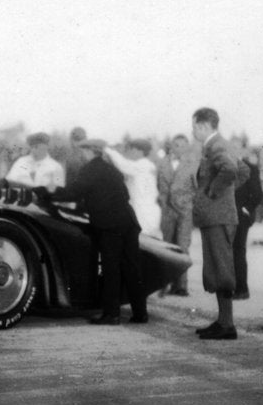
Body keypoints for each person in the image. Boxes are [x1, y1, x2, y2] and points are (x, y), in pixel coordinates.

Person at [44, 138, 147, 325]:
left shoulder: (90, 169)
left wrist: (48, 195)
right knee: (132, 269)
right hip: (128, 222)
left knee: (111, 269)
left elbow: (72, 193)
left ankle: (111, 315)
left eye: (84, 151)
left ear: (92, 151)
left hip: (109, 226)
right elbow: (124, 194)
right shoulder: (111, 168)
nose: (82, 155)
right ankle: (140, 314)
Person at [190, 107, 248, 340]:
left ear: (204, 126)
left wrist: (213, 193)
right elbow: (243, 171)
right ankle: (223, 321)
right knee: (216, 268)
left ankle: (227, 325)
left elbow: (233, 169)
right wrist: (227, 194)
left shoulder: (216, 145)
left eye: (194, 126)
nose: (192, 131)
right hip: (217, 216)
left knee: (221, 269)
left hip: (218, 217)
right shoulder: (218, 145)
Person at [156, 134, 196, 295]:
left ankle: (181, 286)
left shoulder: (193, 164)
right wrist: (162, 200)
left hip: (185, 211)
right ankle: (165, 284)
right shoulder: (162, 163)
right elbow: (158, 184)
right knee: (167, 245)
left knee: (183, 245)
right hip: (167, 210)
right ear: (171, 146)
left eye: (182, 145)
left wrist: (187, 201)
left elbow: (198, 189)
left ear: (187, 147)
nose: (178, 148)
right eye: (176, 144)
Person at [104, 139, 162, 238]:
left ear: (139, 151)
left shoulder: (141, 165)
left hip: (143, 212)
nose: (130, 152)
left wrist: (108, 150)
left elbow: (123, 165)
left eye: (131, 149)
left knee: (142, 243)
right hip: (148, 210)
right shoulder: (148, 165)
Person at [233, 147, 263, 300]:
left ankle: (242, 290)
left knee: (238, 252)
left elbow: (258, 194)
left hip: (241, 217)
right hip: (227, 216)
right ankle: (234, 288)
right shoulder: (224, 166)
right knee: (231, 252)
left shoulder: (251, 168)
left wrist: (246, 210)